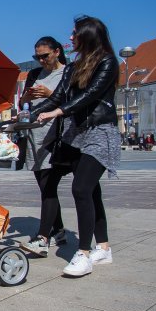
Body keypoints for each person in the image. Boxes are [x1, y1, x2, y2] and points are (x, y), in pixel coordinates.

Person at [33, 15, 120, 277]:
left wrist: (58, 112)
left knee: (81, 188)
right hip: (78, 134)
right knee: (91, 191)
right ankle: (103, 247)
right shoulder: (74, 66)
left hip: (101, 132)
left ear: (88, 35)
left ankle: (83, 253)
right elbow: (59, 96)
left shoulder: (107, 62)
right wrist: (27, 116)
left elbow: (91, 94)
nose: (70, 37)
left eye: (74, 33)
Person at [18, 36, 69, 258]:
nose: (41, 60)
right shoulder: (34, 74)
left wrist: (51, 95)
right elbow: (23, 104)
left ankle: (43, 238)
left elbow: (73, 100)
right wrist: (26, 97)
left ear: (57, 52)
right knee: (44, 187)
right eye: (37, 57)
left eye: (44, 56)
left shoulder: (67, 73)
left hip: (54, 136)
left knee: (48, 187)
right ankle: (58, 230)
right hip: (34, 137)